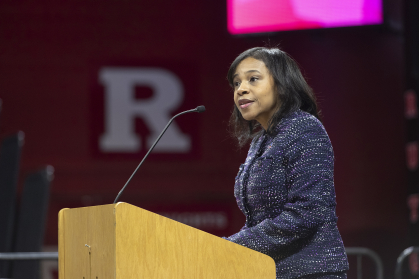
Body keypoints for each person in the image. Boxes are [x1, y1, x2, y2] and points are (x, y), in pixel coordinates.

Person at [223, 47, 349, 279]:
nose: (241, 89)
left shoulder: (305, 130)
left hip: (310, 272)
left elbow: (308, 212)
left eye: (253, 79)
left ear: (281, 84)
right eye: (236, 83)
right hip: (269, 271)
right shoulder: (261, 141)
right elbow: (257, 221)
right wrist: (225, 247)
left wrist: (232, 246)